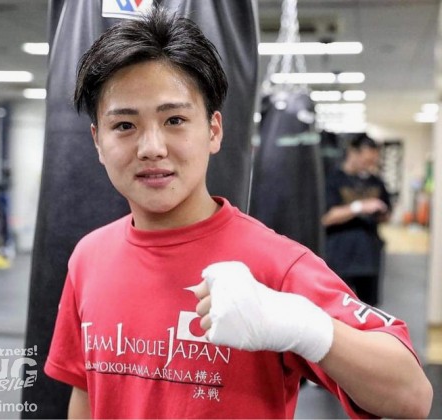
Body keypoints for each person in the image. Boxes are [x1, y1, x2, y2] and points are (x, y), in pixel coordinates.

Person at [44, 8, 432, 419]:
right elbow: (86, 392)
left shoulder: (275, 263)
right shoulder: (89, 256)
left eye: (174, 120)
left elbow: (413, 396)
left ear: (213, 131)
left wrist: (305, 327)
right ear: (98, 141)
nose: (151, 148)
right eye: (124, 125)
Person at [321, 134, 391, 307]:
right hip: (340, 257)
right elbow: (326, 218)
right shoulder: (333, 180)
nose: (369, 165)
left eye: (373, 161)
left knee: (369, 310)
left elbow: (387, 214)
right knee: (338, 308)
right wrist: (359, 207)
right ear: (353, 153)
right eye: (366, 160)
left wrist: (381, 212)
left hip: (369, 257)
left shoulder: (376, 182)